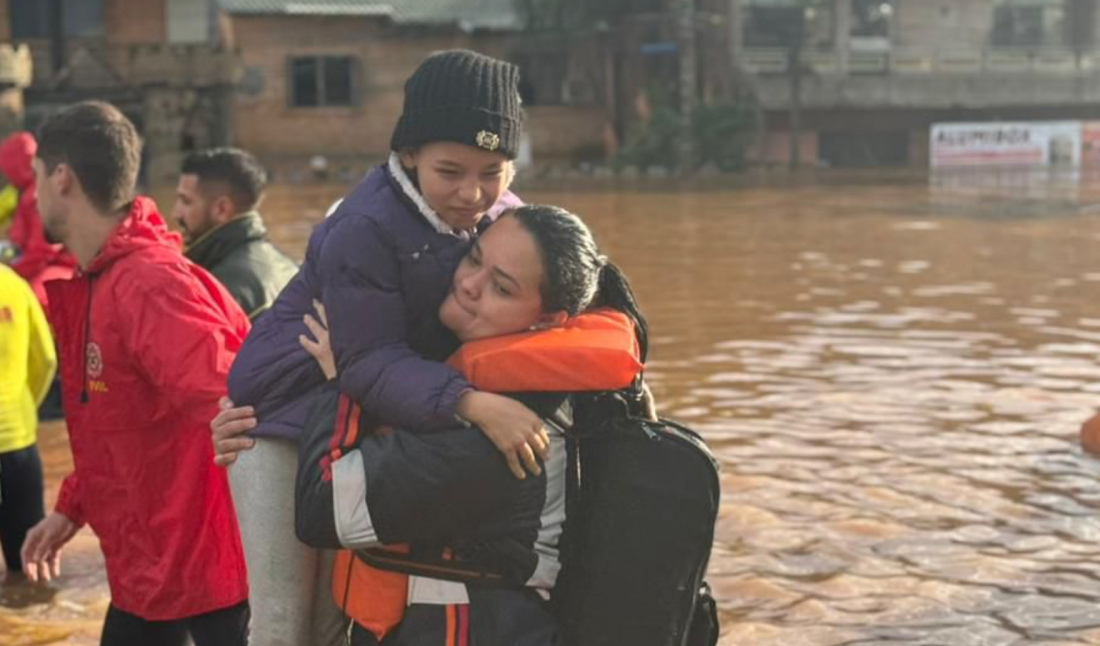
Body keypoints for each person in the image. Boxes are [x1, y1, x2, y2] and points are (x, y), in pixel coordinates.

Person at [219, 49, 540, 646]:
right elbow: (366, 359)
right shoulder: (363, 226)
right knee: (285, 622)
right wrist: (475, 404)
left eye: (492, 170)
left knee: (337, 616)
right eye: (451, 171)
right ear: (409, 154)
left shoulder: (504, 220)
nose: (472, 193)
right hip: (276, 418)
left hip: (362, 407)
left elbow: (562, 275)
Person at [216, 205, 650, 644]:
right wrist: (265, 420)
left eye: (501, 288)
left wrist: (342, 379)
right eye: (474, 258)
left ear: (548, 320)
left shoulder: (501, 434)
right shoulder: (541, 383)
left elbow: (325, 508)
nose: (468, 284)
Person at [18, 101, 250, 646]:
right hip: (145, 577)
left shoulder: (149, 285)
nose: (32, 196)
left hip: (202, 590)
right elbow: (123, 427)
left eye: (34, 179)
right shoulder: (99, 279)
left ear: (61, 177)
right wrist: (71, 507)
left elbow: (242, 411)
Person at [173, 147, 298, 320]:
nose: (176, 213)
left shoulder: (219, 290)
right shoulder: (288, 266)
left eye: (186, 201)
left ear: (222, 209)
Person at [0, 264, 56, 578]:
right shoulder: (15, 285)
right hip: (17, 443)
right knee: (30, 565)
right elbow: (47, 359)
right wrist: (24, 405)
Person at [0, 131, 76, 314]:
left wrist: (14, 271)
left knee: (30, 301)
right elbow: (20, 244)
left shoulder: (38, 195)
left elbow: (43, 249)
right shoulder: (25, 192)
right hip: (28, 260)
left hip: (58, 266)